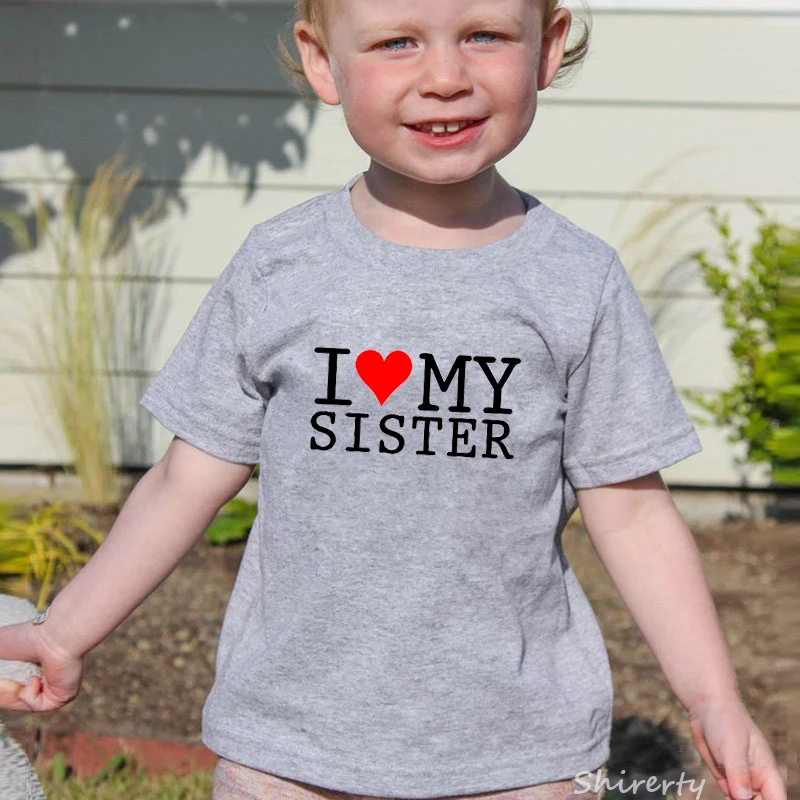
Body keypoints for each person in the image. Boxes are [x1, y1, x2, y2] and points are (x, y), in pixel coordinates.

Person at [0, 1, 786, 799]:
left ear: (547, 49)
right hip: (289, 748)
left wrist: (713, 697)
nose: (444, 77)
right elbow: (183, 480)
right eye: (396, 42)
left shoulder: (577, 282)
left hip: (516, 754)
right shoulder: (280, 266)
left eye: (484, 34)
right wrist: (64, 632)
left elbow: (635, 515)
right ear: (322, 61)